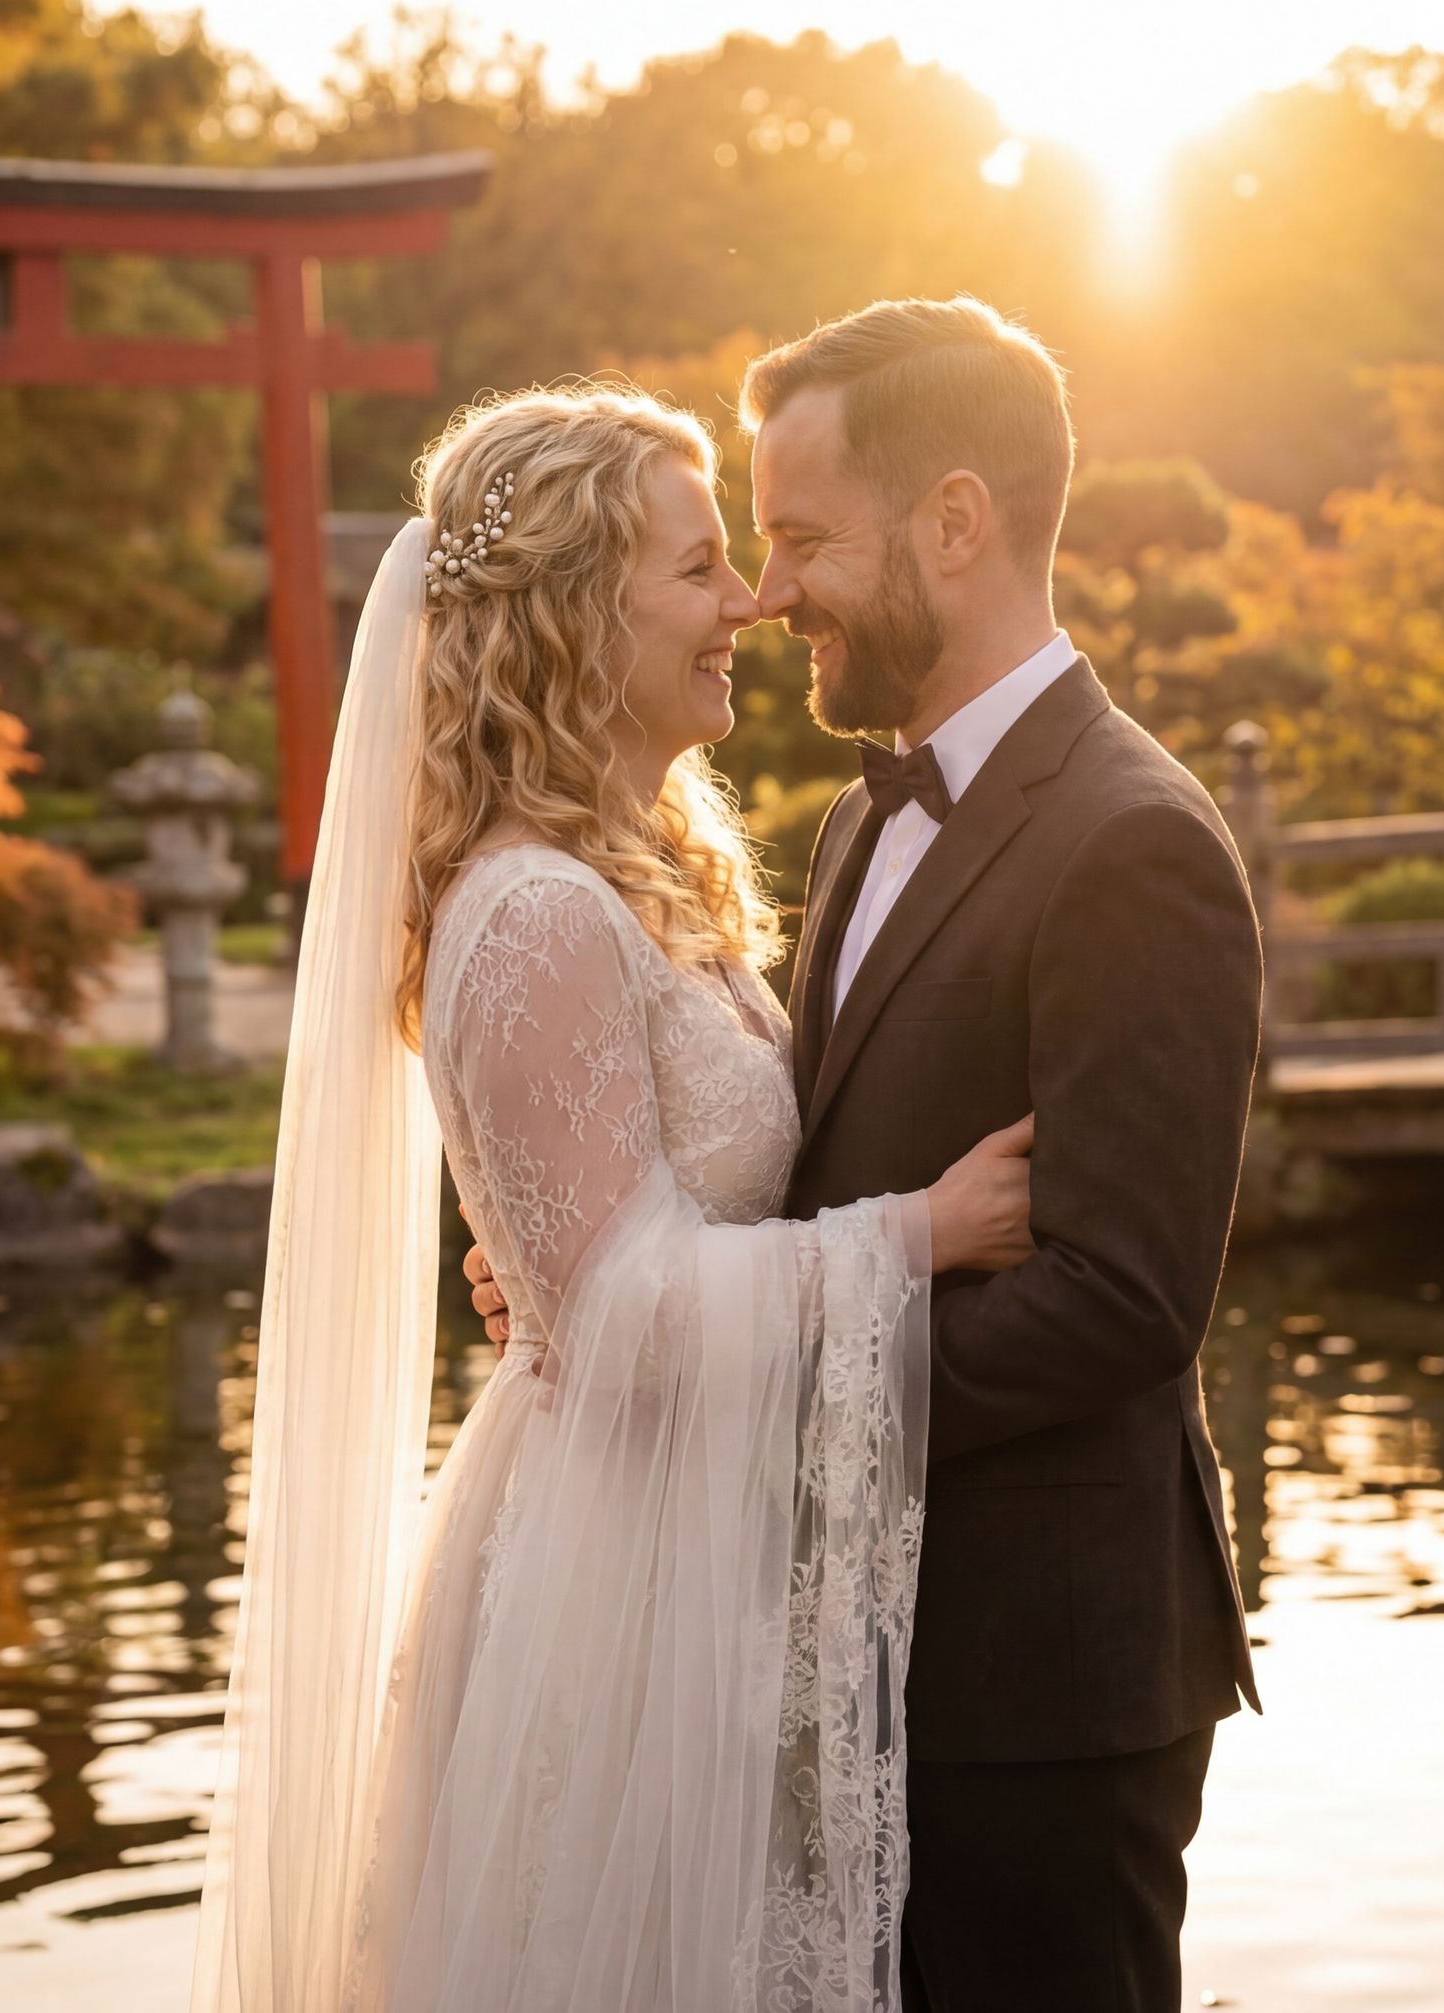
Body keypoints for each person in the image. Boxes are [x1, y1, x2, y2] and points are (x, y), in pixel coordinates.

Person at [189, 382, 1037, 2013]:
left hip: (695, 1541)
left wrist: (546, 1266)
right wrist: (918, 1236)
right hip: (618, 1585)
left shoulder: (632, 878)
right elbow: (632, 1312)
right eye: (699, 568)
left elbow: (611, 1237)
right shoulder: (533, 910)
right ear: (580, 612)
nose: (749, 604)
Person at [469, 298, 1265, 2012]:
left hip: (1036, 1681)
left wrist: (747, 1406)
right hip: (834, 1659)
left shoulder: (1132, 841)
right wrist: (596, 1258)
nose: (769, 594)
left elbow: (1122, 1302)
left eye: (802, 538)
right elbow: (804, 1167)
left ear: (953, 523)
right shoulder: (855, 816)